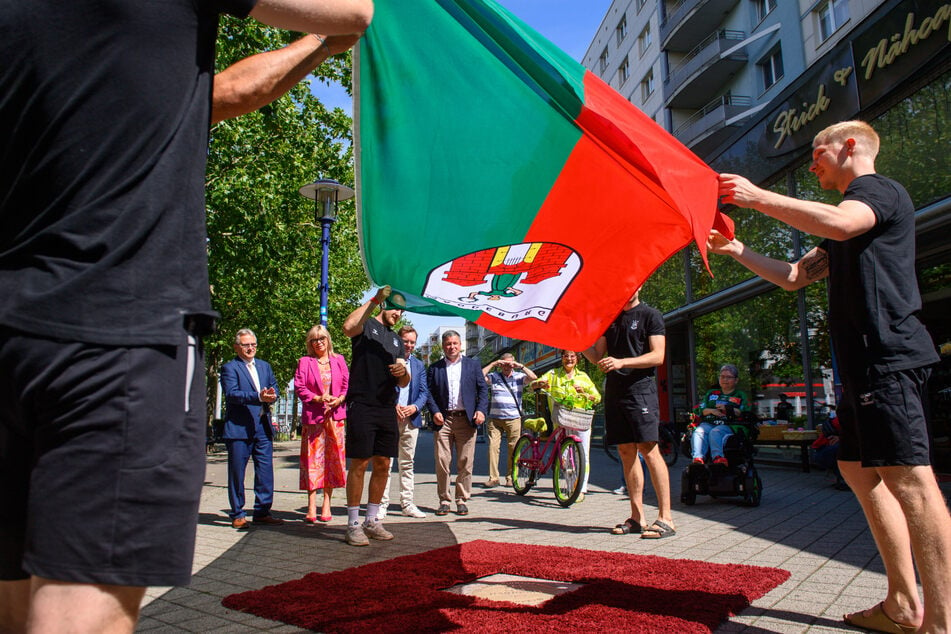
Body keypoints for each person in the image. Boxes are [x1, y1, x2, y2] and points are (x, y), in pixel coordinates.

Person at [0, 0, 373, 629]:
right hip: (120, 331)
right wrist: (327, 36)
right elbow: (357, 11)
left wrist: (315, 46)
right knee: (75, 613)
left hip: (14, 321)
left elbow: (215, 95)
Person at [712, 120, 949, 633]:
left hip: (889, 357)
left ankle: (940, 624)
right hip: (862, 367)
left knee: (913, 483)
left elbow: (841, 224)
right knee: (859, 471)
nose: (812, 162)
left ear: (848, 147)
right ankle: (903, 605)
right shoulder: (843, 222)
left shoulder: (874, 193)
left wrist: (756, 197)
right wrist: (737, 252)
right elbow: (796, 277)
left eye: (816, 152)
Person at [584, 289, 675, 540]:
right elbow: (596, 356)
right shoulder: (609, 318)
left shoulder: (650, 315)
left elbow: (658, 356)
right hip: (615, 391)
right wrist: (577, 343)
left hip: (641, 391)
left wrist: (622, 362)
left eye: (633, 284)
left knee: (648, 448)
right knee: (626, 451)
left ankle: (666, 518)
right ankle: (637, 518)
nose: (628, 289)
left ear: (640, 286)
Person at [341, 286, 410, 547]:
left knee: (383, 464)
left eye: (402, 310)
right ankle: (352, 524)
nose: (398, 313)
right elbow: (348, 327)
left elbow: (405, 381)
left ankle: (372, 520)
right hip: (362, 404)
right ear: (384, 305)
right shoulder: (366, 324)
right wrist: (373, 300)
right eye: (394, 307)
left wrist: (401, 372)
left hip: (386, 408)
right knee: (359, 463)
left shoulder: (398, 341)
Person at [221, 329, 283, 529]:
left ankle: (262, 511)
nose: (250, 348)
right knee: (237, 473)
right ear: (237, 347)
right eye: (246, 345)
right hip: (239, 429)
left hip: (263, 427)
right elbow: (232, 394)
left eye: (253, 344)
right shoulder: (230, 368)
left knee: (265, 471)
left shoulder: (265, 366)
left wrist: (273, 395)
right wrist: (258, 396)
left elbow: (275, 387)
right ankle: (237, 513)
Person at [427, 331, 489, 516]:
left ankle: (461, 499)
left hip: (467, 420)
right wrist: (435, 411)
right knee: (442, 462)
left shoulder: (473, 365)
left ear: (460, 344)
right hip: (443, 420)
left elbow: (482, 390)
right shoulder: (435, 368)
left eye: (454, 343)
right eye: (448, 344)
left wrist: (481, 410)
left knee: (465, 462)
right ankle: (444, 500)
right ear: (443, 346)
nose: (451, 347)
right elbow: (428, 392)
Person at [294, 325, 349, 523]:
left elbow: (346, 384)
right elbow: (299, 387)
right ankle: (311, 505)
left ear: (328, 340)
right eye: (314, 340)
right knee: (313, 462)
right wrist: (317, 398)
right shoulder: (304, 362)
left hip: (335, 417)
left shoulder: (339, 360)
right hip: (314, 418)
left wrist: (340, 399)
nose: (318, 343)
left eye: (322, 339)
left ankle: (327, 503)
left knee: (333, 461)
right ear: (310, 343)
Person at [531, 350, 600, 497]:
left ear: (577, 359)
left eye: (572, 356)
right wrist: (539, 383)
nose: (569, 359)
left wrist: (586, 394)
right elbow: (533, 385)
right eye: (566, 356)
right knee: (565, 457)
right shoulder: (553, 374)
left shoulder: (584, 377)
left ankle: (581, 488)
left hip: (580, 419)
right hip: (561, 421)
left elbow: (597, 397)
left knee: (583, 455)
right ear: (562, 358)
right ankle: (570, 486)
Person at [379, 326, 430, 519]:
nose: (408, 345)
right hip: (389, 418)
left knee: (407, 463)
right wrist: (393, 406)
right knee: (385, 463)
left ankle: (407, 504)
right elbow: (381, 387)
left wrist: (414, 407)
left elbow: (424, 392)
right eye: (405, 341)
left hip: (410, 420)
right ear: (398, 341)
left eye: (412, 342)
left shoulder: (418, 365)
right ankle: (381, 504)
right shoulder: (387, 361)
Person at [483, 353, 537, 488]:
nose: (507, 366)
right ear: (501, 364)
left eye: (510, 364)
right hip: (495, 419)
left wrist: (521, 366)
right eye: (504, 364)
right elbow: (479, 376)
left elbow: (533, 377)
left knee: (514, 449)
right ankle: (494, 478)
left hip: (513, 419)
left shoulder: (519, 377)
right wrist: (493, 364)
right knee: (493, 448)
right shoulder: (494, 376)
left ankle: (510, 477)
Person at [690, 364, 750, 466]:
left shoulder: (740, 395)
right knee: (699, 430)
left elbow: (744, 412)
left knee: (716, 432)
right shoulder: (712, 393)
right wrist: (712, 411)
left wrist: (728, 409)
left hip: (729, 424)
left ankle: (718, 458)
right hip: (710, 422)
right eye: (722, 376)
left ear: (736, 380)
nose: (725, 379)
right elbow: (701, 410)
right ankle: (698, 459)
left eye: (729, 377)